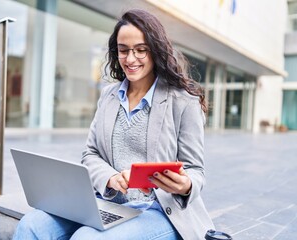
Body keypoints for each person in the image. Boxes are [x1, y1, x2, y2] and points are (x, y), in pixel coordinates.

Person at [13, 9, 214, 240]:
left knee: (86, 238)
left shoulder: (183, 101)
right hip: (108, 203)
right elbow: (91, 153)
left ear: (156, 51)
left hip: (159, 211)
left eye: (141, 50)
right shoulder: (108, 96)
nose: (130, 59)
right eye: (123, 50)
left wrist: (185, 185)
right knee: (30, 226)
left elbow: (196, 171)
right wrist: (110, 178)